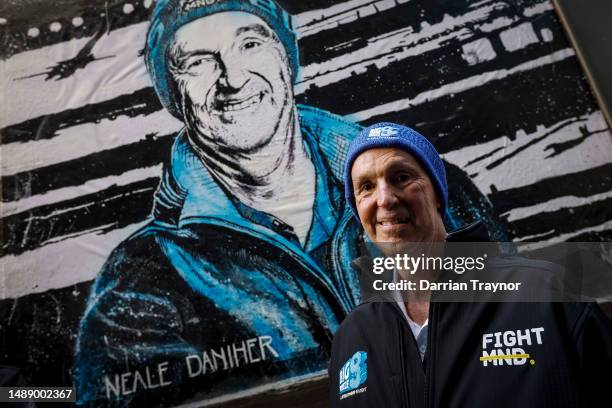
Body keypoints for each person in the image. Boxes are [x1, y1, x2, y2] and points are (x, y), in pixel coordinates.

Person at [73, 1, 506, 406]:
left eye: (250, 44)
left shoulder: (429, 192)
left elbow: (517, 344)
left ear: (287, 58)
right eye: (198, 63)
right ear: (173, 95)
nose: (233, 78)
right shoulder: (143, 281)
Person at [329, 122, 612, 407]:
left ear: (438, 195)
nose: (385, 199)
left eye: (401, 177)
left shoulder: (543, 293)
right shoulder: (352, 336)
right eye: (366, 187)